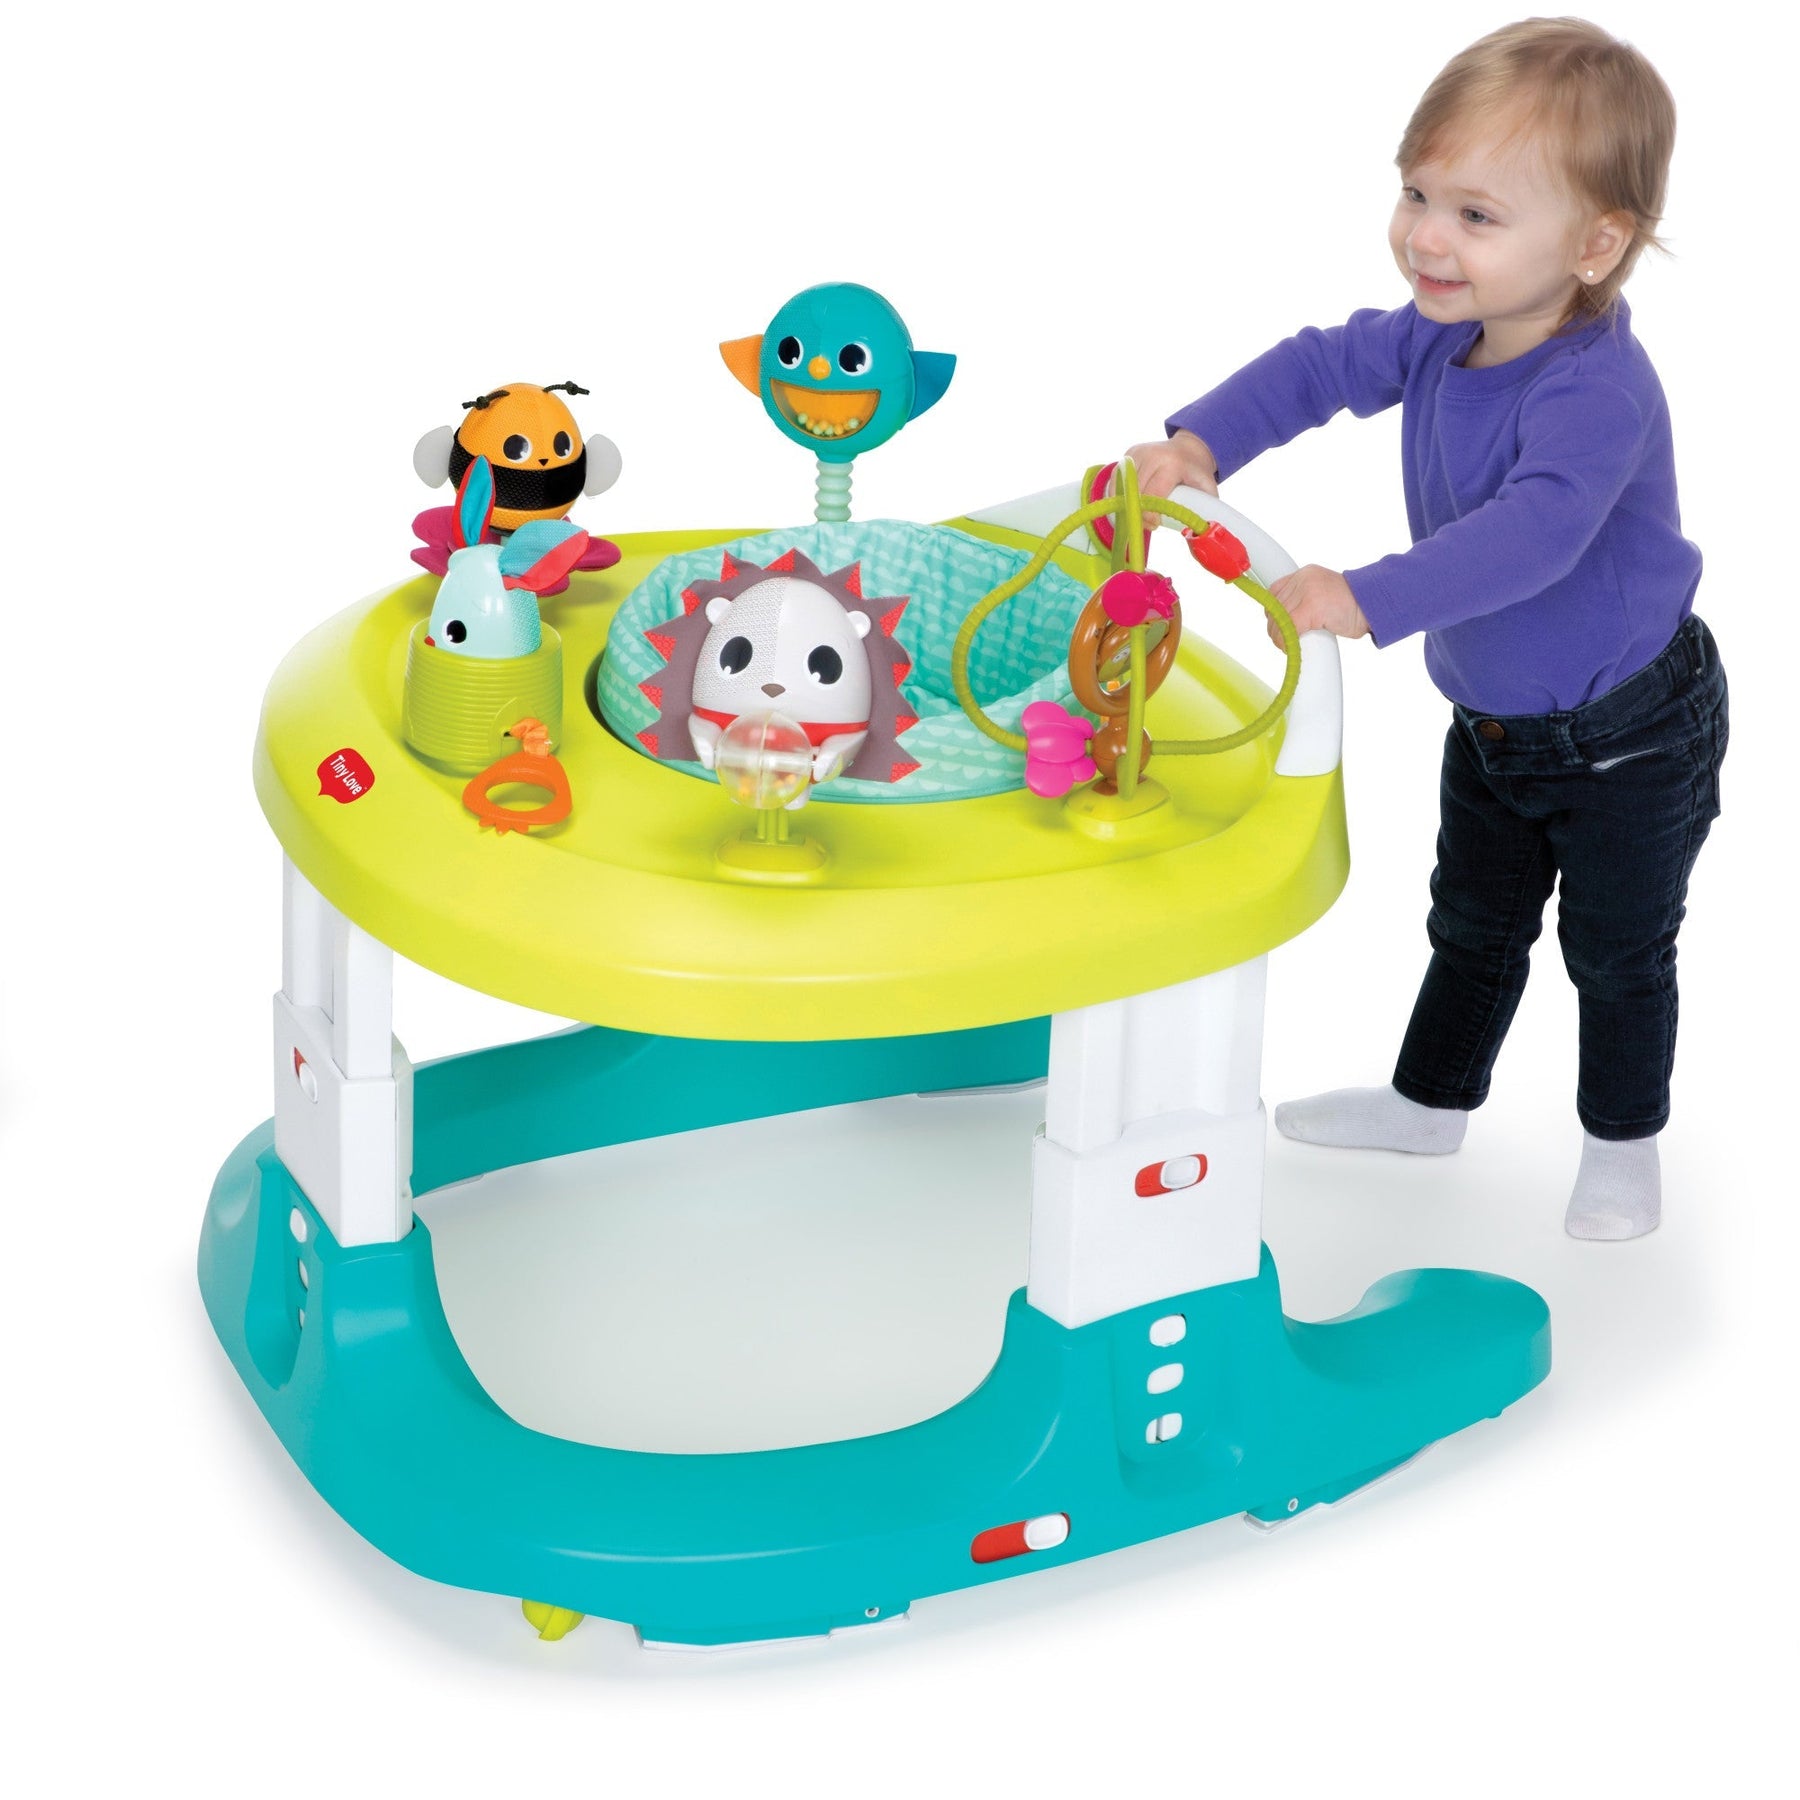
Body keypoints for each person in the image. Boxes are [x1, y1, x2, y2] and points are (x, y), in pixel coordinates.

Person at [1129, 17, 1727, 1241]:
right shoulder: (1443, 332)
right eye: (1416, 194)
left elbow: (1535, 534)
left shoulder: (1597, 389)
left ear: (1596, 244)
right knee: (1472, 924)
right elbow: (1318, 367)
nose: (1425, 237)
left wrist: (1366, 594)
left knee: (1617, 953)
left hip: (1630, 736)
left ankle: (1623, 1146)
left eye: (1476, 215)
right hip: (1496, 725)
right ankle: (1429, 1102)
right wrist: (1201, 444)